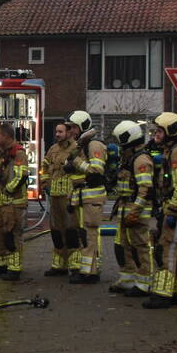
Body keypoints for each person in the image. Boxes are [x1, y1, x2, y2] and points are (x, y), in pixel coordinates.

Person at [144, 112, 177, 309]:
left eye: (159, 131)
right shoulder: (173, 149)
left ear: (170, 131)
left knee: (166, 248)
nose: (156, 135)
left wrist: (172, 211)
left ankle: (162, 294)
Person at [108, 121, 154, 297]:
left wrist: (135, 212)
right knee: (123, 245)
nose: (121, 147)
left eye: (122, 142)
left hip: (136, 210)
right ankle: (127, 279)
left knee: (139, 246)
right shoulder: (130, 158)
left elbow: (145, 189)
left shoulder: (141, 160)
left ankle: (144, 283)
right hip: (125, 207)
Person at [63, 110, 107, 284]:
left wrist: (76, 163)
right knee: (84, 234)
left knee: (89, 234)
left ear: (82, 126)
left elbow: (96, 172)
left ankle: (89, 273)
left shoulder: (94, 145)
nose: (71, 131)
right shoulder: (82, 144)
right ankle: (88, 270)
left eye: (73, 127)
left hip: (92, 196)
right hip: (83, 197)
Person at [0, 124, 29, 280]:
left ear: (6, 136)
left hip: (14, 204)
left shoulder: (19, 154)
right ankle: (0, 268)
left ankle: (14, 270)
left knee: (12, 236)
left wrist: (7, 191)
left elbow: (21, 176)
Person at [39, 122, 79, 276]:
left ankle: (74, 265)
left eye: (60, 132)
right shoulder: (53, 149)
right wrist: (44, 183)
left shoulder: (76, 149)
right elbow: (45, 167)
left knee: (71, 231)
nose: (57, 134)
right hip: (54, 196)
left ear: (69, 133)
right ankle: (58, 265)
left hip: (68, 198)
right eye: (56, 132)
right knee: (56, 231)